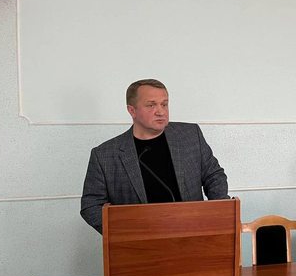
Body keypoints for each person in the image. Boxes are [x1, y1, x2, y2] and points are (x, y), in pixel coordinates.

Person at [80, 79, 229, 233]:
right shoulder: (105, 155)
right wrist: (123, 234)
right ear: (132, 110)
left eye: (164, 104)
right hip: (139, 241)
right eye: (151, 105)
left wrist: (219, 214)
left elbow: (214, 175)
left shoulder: (190, 135)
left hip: (193, 234)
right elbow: (91, 205)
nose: (161, 111)